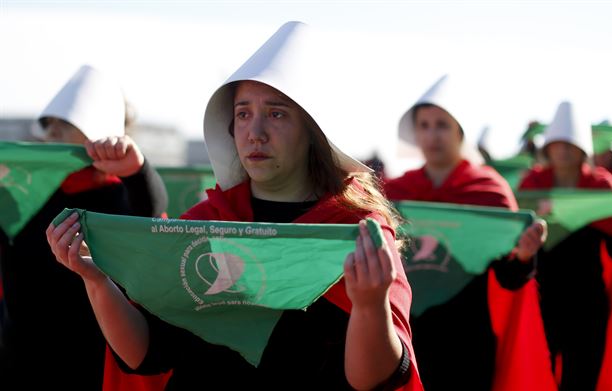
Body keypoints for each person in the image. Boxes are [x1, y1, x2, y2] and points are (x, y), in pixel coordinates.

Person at [47, 22, 422, 390]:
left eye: (276, 114)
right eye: (243, 114)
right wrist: (96, 280)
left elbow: (372, 379)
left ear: (314, 132)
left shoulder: (355, 231)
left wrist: (371, 306)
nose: (254, 132)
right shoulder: (205, 222)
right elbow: (147, 353)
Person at [0, 64, 168, 389]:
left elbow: (152, 215)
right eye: (49, 126)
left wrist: (137, 169)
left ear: (97, 131)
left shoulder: (124, 195)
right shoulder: (23, 194)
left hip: (90, 364)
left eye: (64, 125)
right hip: (19, 361)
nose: (50, 135)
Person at [384, 75, 554, 391]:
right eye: (424, 125)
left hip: (468, 334)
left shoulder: (488, 192)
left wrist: (525, 256)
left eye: (442, 125)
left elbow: (508, 277)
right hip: (405, 332)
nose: (432, 135)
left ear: (460, 131)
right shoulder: (395, 193)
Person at [518, 101, 612, 391]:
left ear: (582, 149)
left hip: (587, 304)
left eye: (569, 144)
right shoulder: (532, 184)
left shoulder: (601, 185)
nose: (562, 150)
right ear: (547, 148)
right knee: (537, 376)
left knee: (582, 380)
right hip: (541, 300)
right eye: (557, 144)